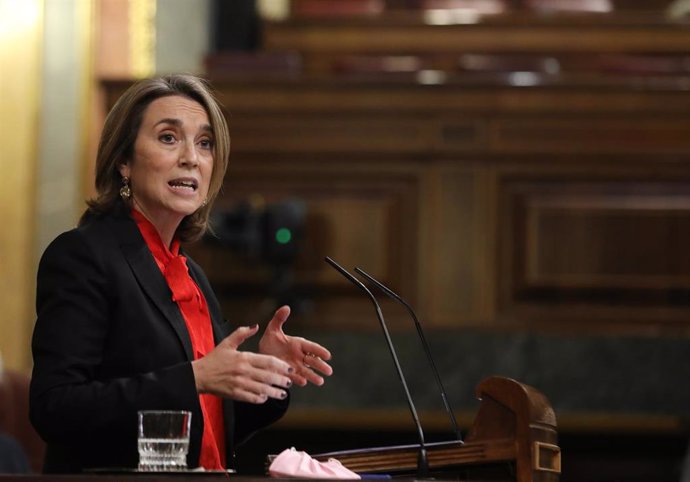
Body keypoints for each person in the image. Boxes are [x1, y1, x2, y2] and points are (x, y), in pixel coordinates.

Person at [29, 74, 333, 474]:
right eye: (169, 138)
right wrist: (192, 378)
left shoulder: (191, 275)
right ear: (124, 162)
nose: (191, 156)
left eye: (204, 143)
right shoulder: (83, 256)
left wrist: (266, 373)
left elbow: (209, 427)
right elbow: (56, 408)